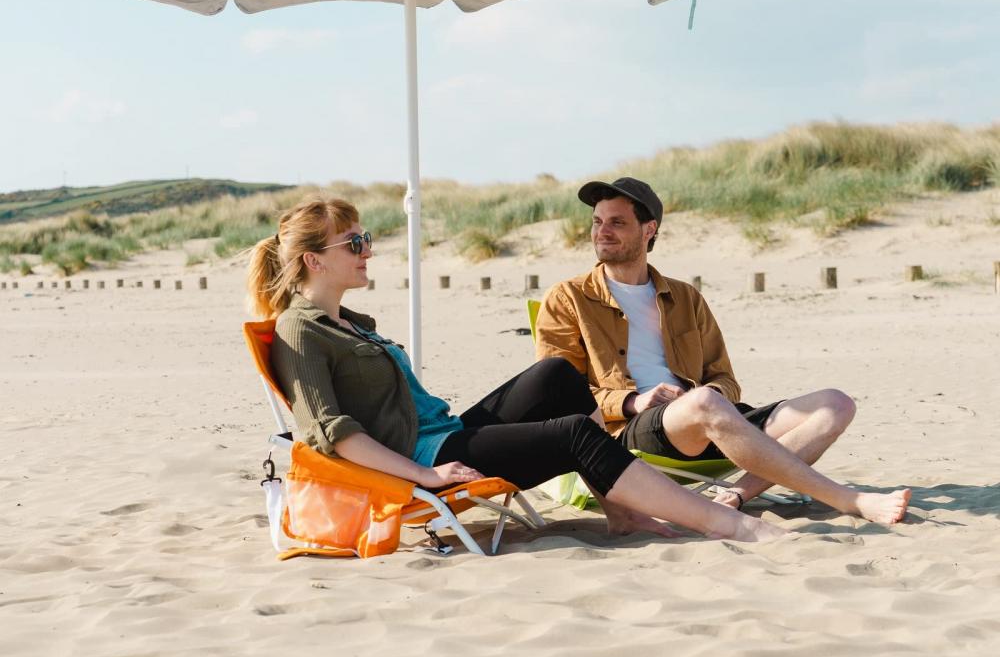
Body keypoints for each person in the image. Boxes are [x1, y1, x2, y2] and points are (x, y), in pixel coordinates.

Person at [246, 197, 788, 545]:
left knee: (555, 376)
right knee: (574, 432)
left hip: (445, 432)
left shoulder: (352, 323)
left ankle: (621, 512)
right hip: (422, 457)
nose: (370, 252)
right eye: (356, 243)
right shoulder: (301, 330)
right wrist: (427, 478)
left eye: (368, 240)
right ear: (315, 260)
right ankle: (726, 523)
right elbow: (331, 435)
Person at [535, 177, 911, 526]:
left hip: (710, 421)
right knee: (702, 405)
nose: (602, 232)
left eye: (617, 222)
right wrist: (633, 401)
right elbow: (559, 399)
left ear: (649, 231)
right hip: (630, 432)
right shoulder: (568, 298)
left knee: (836, 403)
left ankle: (735, 493)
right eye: (597, 221)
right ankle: (848, 499)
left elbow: (724, 378)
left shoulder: (685, 297)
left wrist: (713, 396)